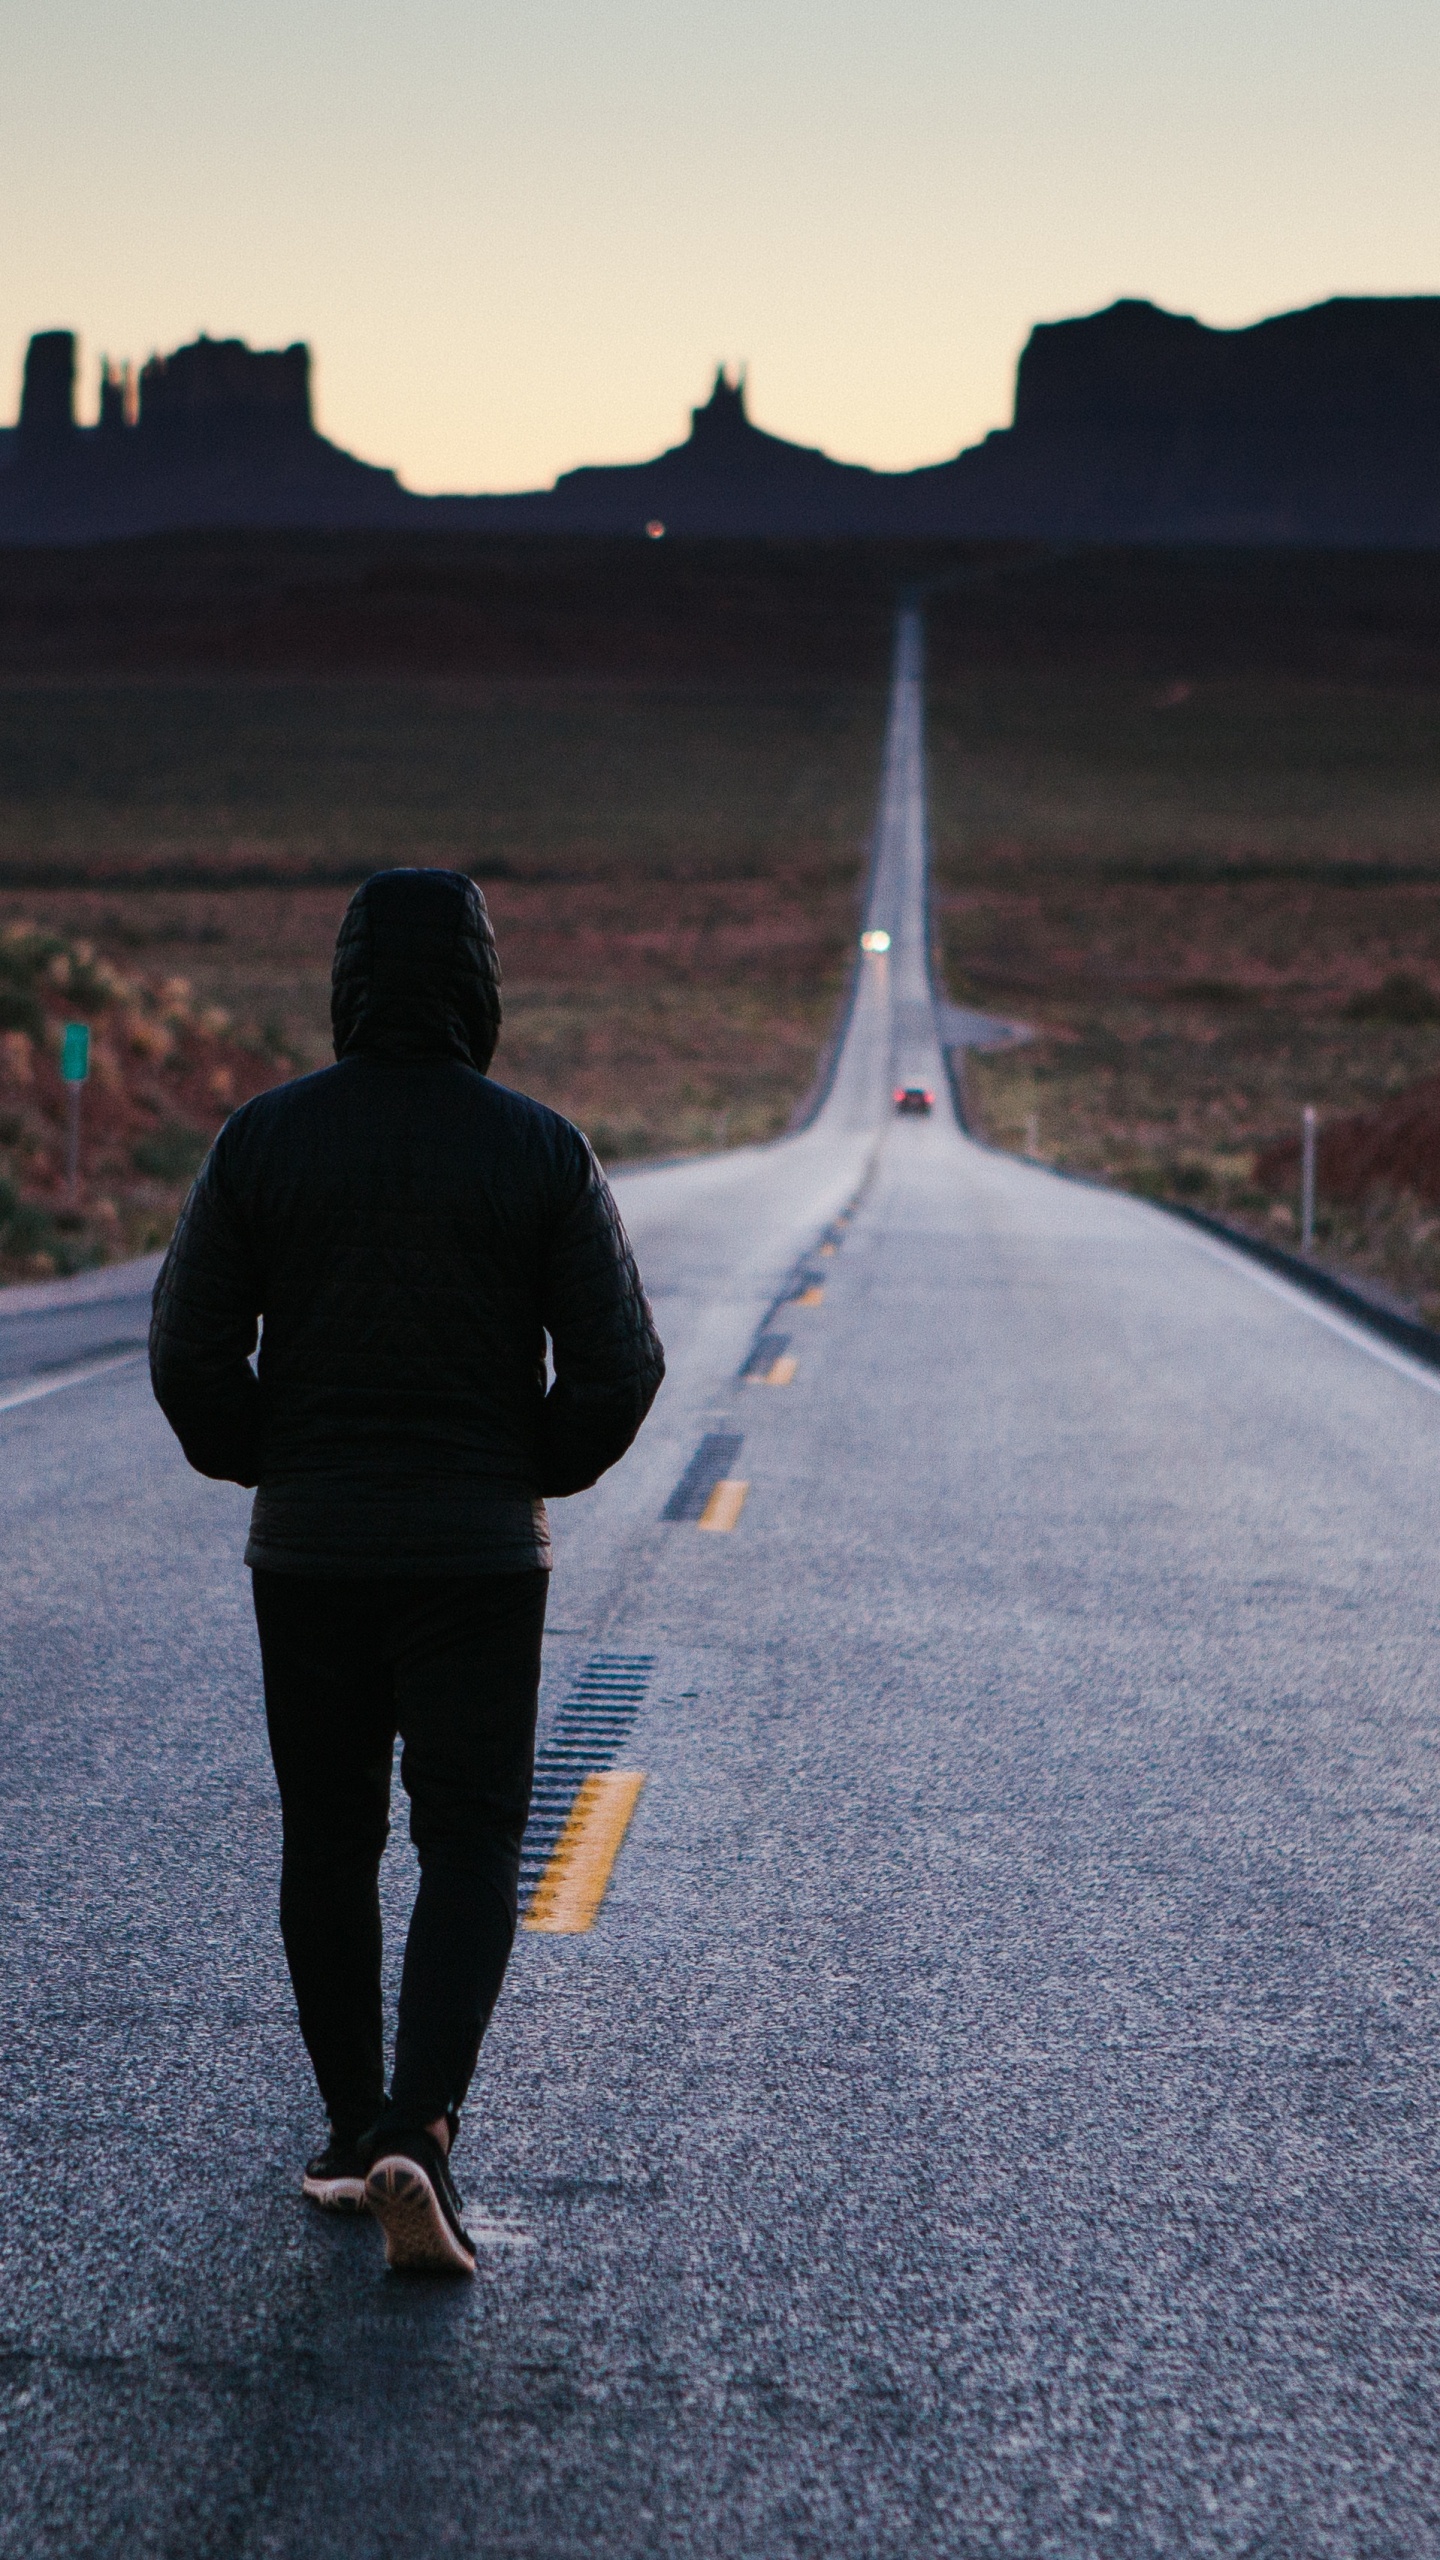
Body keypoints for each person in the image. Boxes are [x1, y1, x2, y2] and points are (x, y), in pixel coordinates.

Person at [150, 868, 664, 2276]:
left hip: (310, 1547)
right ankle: (418, 2133)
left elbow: (187, 1354)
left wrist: (276, 1459)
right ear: (481, 988)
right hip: (478, 1557)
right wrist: (529, 1471)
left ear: (348, 981)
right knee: (472, 1838)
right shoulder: (540, 1150)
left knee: (329, 1836)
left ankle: (343, 2131)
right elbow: (622, 1364)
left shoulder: (263, 1142)